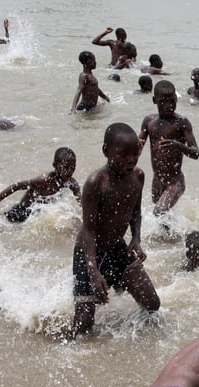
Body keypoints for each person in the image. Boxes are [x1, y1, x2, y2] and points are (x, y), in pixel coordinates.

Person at [70, 123, 160, 338]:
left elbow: (135, 211)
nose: (130, 160)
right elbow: (88, 231)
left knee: (151, 304)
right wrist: (93, 271)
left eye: (135, 154)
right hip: (89, 252)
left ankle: (126, 337)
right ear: (106, 151)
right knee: (83, 325)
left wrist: (136, 239)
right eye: (122, 155)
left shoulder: (138, 176)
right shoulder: (95, 183)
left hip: (118, 248)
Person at [139, 80, 199, 217]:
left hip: (175, 180)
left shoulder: (182, 123)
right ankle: (177, 237)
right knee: (161, 220)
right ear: (155, 100)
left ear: (176, 99)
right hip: (157, 180)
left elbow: (196, 153)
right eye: (163, 101)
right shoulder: (148, 121)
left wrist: (178, 145)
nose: (168, 105)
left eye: (172, 101)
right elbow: (137, 149)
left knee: (159, 211)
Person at [0, 147, 80, 222]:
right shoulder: (44, 180)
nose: (70, 171)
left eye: (73, 167)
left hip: (38, 213)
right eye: (66, 167)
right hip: (21, 211)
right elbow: (16, 186)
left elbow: (82, 202)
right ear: (55, 165)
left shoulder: (72, 184)